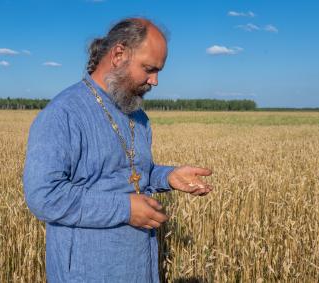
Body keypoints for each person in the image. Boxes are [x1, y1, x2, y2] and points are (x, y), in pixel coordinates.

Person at [23, 18, 213, 283]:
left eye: (158, 71)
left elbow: (132, 174)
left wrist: (167, 177)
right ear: (119, 54)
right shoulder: (63, 114)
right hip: (86, 273)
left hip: (140, 269)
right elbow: (44, 196)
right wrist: (125, 208)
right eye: (149, 69)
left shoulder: (138, 116)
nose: (155, 81)